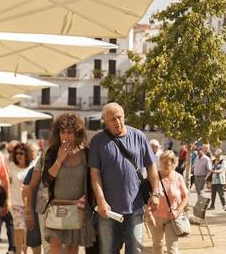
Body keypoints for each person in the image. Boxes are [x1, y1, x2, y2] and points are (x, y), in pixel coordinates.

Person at [89, 103, 161, 254]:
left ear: (124, 116)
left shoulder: (139, 136)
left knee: (135, 250)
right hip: (107, 211)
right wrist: (101, 201)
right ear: (105, 121)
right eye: (112, 119)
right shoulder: (97, 141)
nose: (117, 122)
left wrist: (155, 193)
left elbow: (152, 168)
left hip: (135, 208)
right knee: (108, 250)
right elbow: (94, 175)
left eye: (119, 117)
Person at [31, 114, 96, 254]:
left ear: (77, 133)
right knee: (55, 246)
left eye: (69, 132)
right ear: (57, 133)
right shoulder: (52, 152)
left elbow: (92, 181)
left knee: (73, 248)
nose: (65, 136)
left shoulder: (86, 153)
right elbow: (46, 180)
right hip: (56, 207)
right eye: (62, 132)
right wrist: (59, 159)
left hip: (78, 209)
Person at [146, 151, 188, 254]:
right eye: (162, 162)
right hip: (156, 217)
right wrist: (148, 213)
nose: (164, 165)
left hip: (172, 218)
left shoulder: (178, 177)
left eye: (167, 163)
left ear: (173, 163)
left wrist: (178, 211)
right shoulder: (153, 177)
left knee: (172, 248)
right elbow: (146, 198)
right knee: (157, 245)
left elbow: (185, 197)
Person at [9, 143, 36, 254]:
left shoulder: (32, 167)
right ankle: (18, 251)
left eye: (21, 153)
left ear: (27, 155)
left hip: (29, 203)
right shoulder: (11, 167)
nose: (18, 155)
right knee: (19, 227)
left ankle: (26, 249)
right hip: (16, 203)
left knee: (29, 229)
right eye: (16, 153)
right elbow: (7, 184)